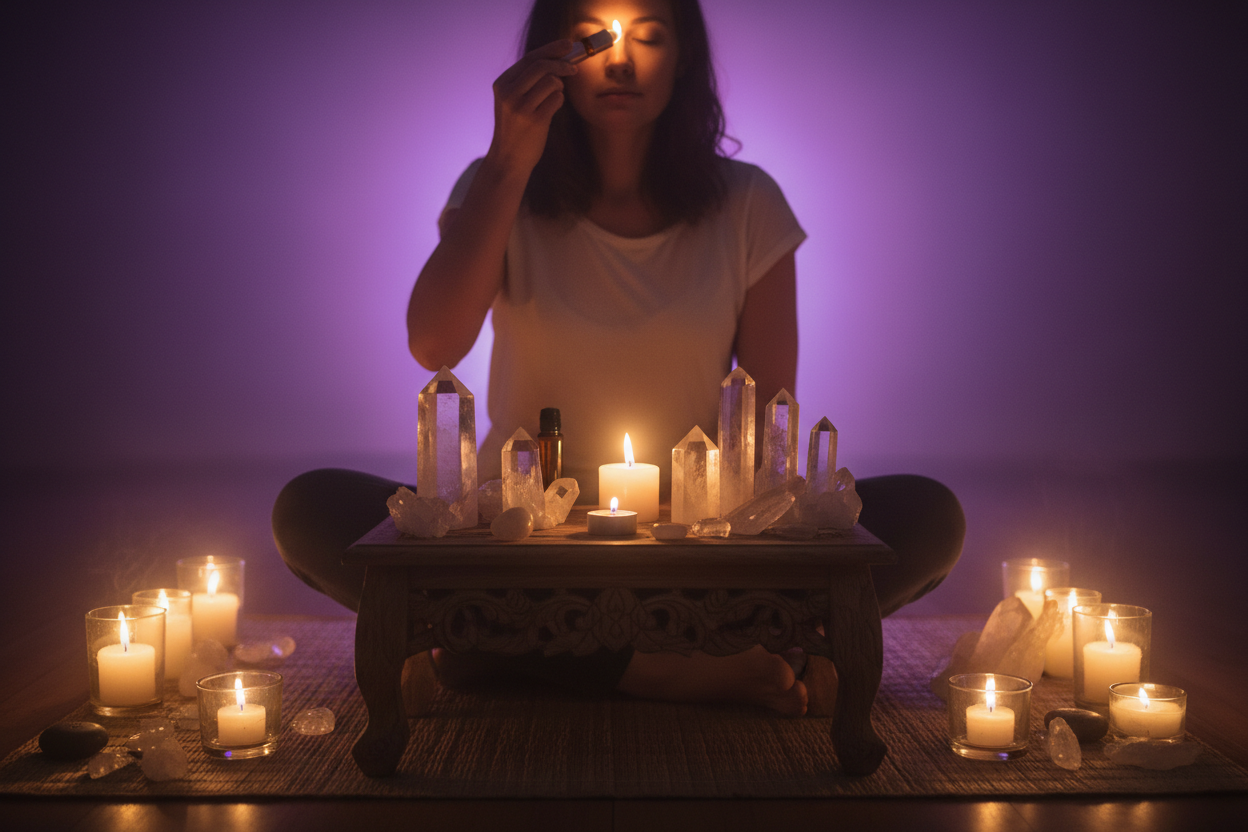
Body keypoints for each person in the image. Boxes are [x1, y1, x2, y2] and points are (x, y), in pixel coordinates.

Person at [273, 0, 964, 717]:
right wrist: (509, 158)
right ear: (552, 56)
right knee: (310, 507)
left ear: (683, 58)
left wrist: (700, 532)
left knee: (927, 516)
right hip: (517, 547)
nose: (622, 61)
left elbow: (767, 436)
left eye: (650, 36)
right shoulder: (498, 186)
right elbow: (434, 345)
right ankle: (663, 662)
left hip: (692, 549)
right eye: (592, 38)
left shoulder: (748, 204)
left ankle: (500, 650)